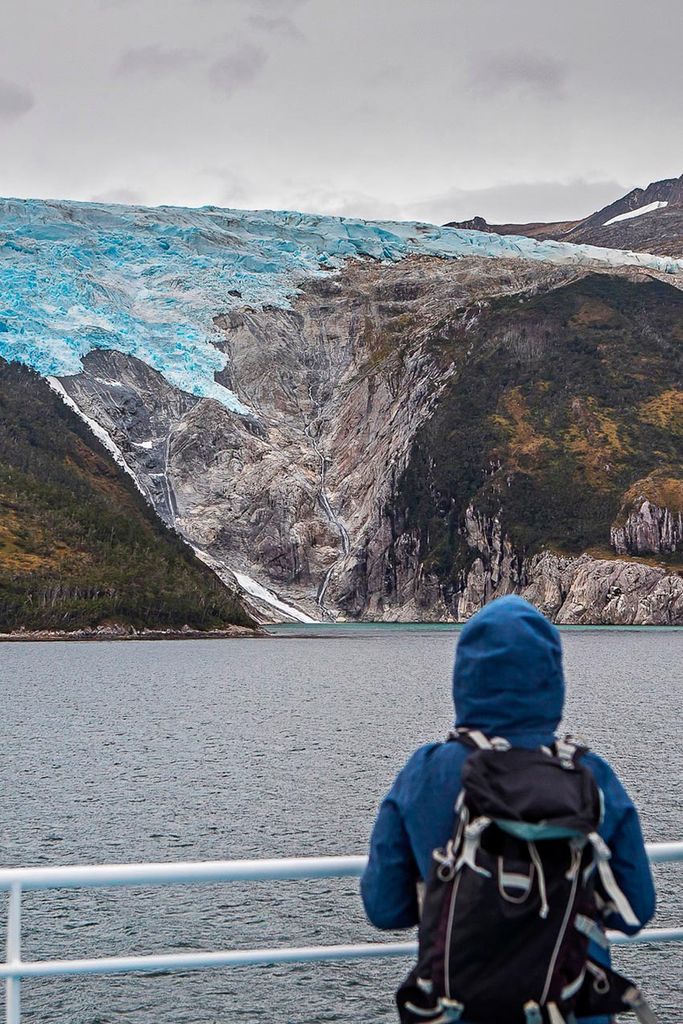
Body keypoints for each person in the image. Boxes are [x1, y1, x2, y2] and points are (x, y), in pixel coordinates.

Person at [361, 595, 656, 1024]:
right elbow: (637, 910)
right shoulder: (589, 774)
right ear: (552, 678)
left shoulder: (425, 773)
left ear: (465, 675)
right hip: (569, 1011)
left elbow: (384, 908)